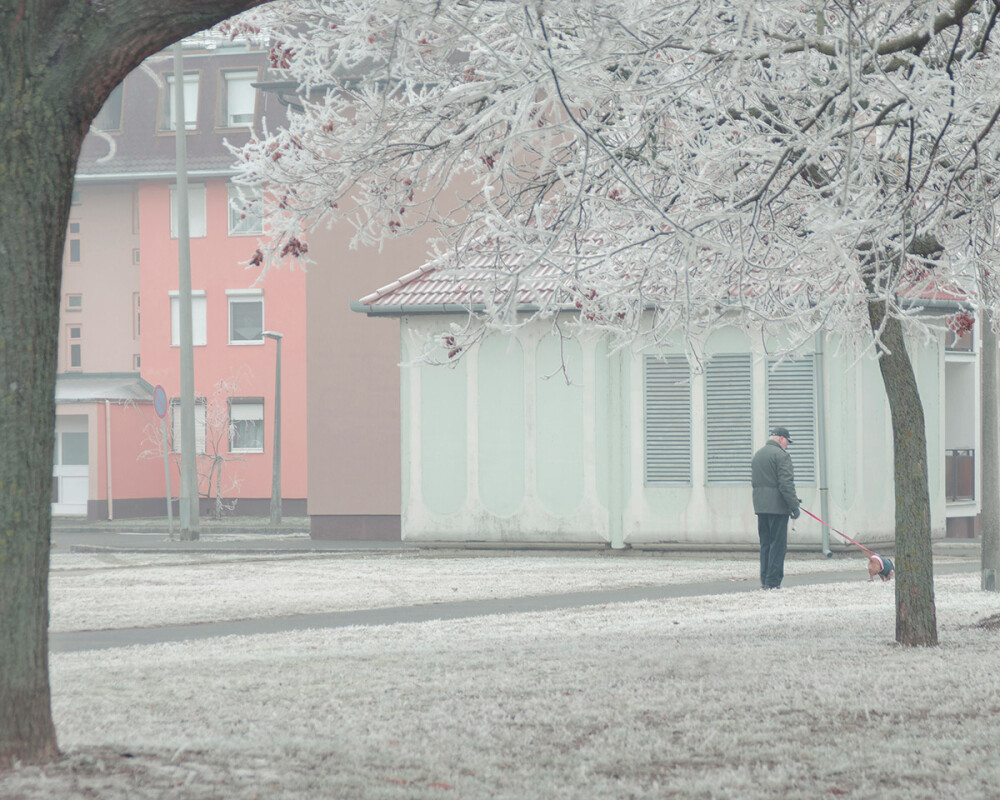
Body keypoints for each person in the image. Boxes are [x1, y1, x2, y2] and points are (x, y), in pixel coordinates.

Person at [751, 426, 800, 590]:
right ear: (781, 439)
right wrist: (794, 506)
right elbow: (786, 484)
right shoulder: (781, 456)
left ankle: (765, 580)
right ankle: (773, 582)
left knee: (765, 544)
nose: (787, 445)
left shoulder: (758, 455)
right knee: (778, 546)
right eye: (787, 442)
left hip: (761, 507)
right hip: (778, 508)